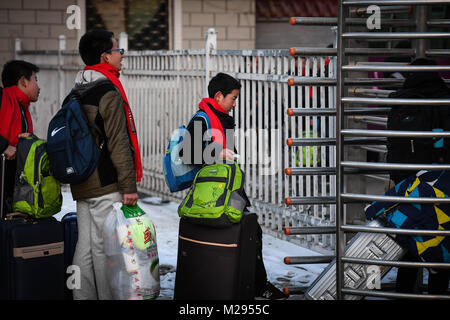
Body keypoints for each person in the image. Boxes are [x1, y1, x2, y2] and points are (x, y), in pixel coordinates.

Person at [180, 72, 287, 299]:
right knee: (249, 231)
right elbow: (186, 151)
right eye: (233, 98)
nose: (235, 104)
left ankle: (242, 283)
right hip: (215, 193)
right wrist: (217, 152)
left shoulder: (219, 117)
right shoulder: (203, 119)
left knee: (248, 231)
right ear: (219, 96)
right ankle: (254, 286)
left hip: (226, 188)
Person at [71, 29, 143, 300]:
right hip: (104, 182)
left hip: (82, 181)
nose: (121, 55)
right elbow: (118, 143)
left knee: (85, 247)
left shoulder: (78, 87)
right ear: (105, 56)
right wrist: (129, 186)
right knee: (105, 248)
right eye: (118, 50)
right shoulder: (107, 90)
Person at [386, 58, 450, 296]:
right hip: (439, 180)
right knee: (440, 236)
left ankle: (405, 290)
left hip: (405, 179)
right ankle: (438, 292)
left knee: (408, 236)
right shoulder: (443, 98)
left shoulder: (402, 98)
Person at [0, 60, 39, 215]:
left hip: (9, 186)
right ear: (23, 81)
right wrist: (3, 146)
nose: (38, 87)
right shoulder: (3, 98)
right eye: (35, 80)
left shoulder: (22, 107)